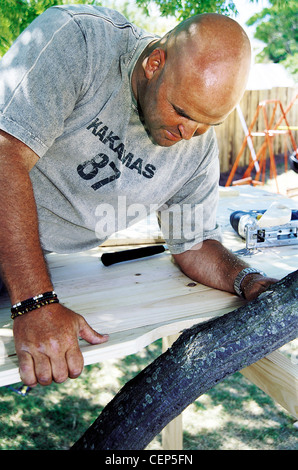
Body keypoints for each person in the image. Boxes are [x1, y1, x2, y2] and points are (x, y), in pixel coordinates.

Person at [0, 5, 276, 387]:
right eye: (181, 111)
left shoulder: (196, 149)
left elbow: (193, 245)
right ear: (154, 63)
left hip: (17, 258)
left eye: (207, 124)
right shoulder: (81, 43)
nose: (188, 133)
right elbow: (4, 156)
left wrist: (246, 279)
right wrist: (35, 301)